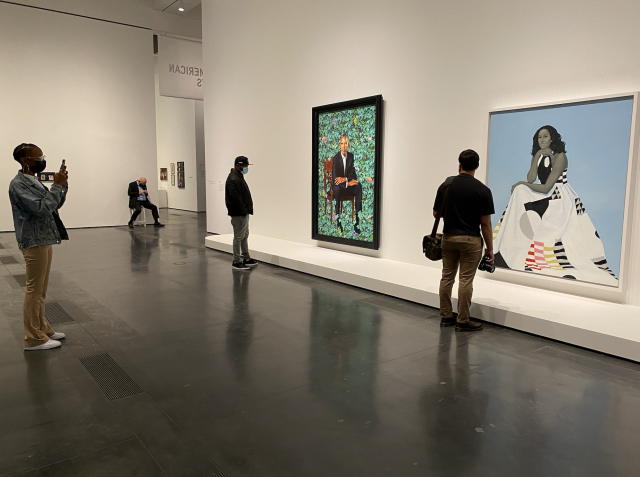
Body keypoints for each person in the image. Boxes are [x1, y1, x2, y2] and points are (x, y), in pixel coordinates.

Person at [492, 126, 617, 285]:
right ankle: (508, 243)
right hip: (545, 193)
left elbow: (547, 187)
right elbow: (531, 179)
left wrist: (521, 183)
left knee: (521, 188)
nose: (542, 140)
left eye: (545, 136)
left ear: (552, 138)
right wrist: (535, 157)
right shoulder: (538, 155)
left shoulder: (560, 156)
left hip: (559, 195)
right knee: (520, 191)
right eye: (539, 137)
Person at [9, 143, 69, 350]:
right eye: (38, 156)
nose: (42, 159)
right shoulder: (18, 184)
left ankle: (41, 327)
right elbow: (42, 209)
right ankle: (32, 338)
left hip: (43, 238)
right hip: (33, 240)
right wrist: (57, 186)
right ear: (25, 160)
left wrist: (62, 184)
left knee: (41, 289)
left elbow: (54, 206)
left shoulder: (31, 180)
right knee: (34, 289)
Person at [433, 149, 494, 332]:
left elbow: (436, 213)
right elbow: (485, 224)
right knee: (465, 280)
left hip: (449, 237)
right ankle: (462, 320)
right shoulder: (483, 190)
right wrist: (489, 249)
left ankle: (445, 316)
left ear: (459, 164)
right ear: (477, 166)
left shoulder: (446, 185)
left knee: (446, 277)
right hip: (471, 240)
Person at [225, 156, 258, 271]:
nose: (246, 168)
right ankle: (236, 260)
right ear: (238, 166)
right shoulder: (234, 179)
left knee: (244, 235)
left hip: (243, 213)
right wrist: (244, 211)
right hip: (239, 214)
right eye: (245, 166)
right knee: (238, 237)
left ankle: (246, 258)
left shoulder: (238, 177)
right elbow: (235, 199)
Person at [332, 134, 362, 234]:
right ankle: (338, 221)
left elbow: (353, 176)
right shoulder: (335, 159)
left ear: (348, 145)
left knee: (358, 186)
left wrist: (345, 179)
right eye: (342, 144)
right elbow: (335, 179)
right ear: (339, 145)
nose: (344, 146)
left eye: (346, 144)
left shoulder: (351, 156)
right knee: (336, 188)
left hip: (346, 185)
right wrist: (347, 183)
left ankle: (357, 221)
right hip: (339, 187)